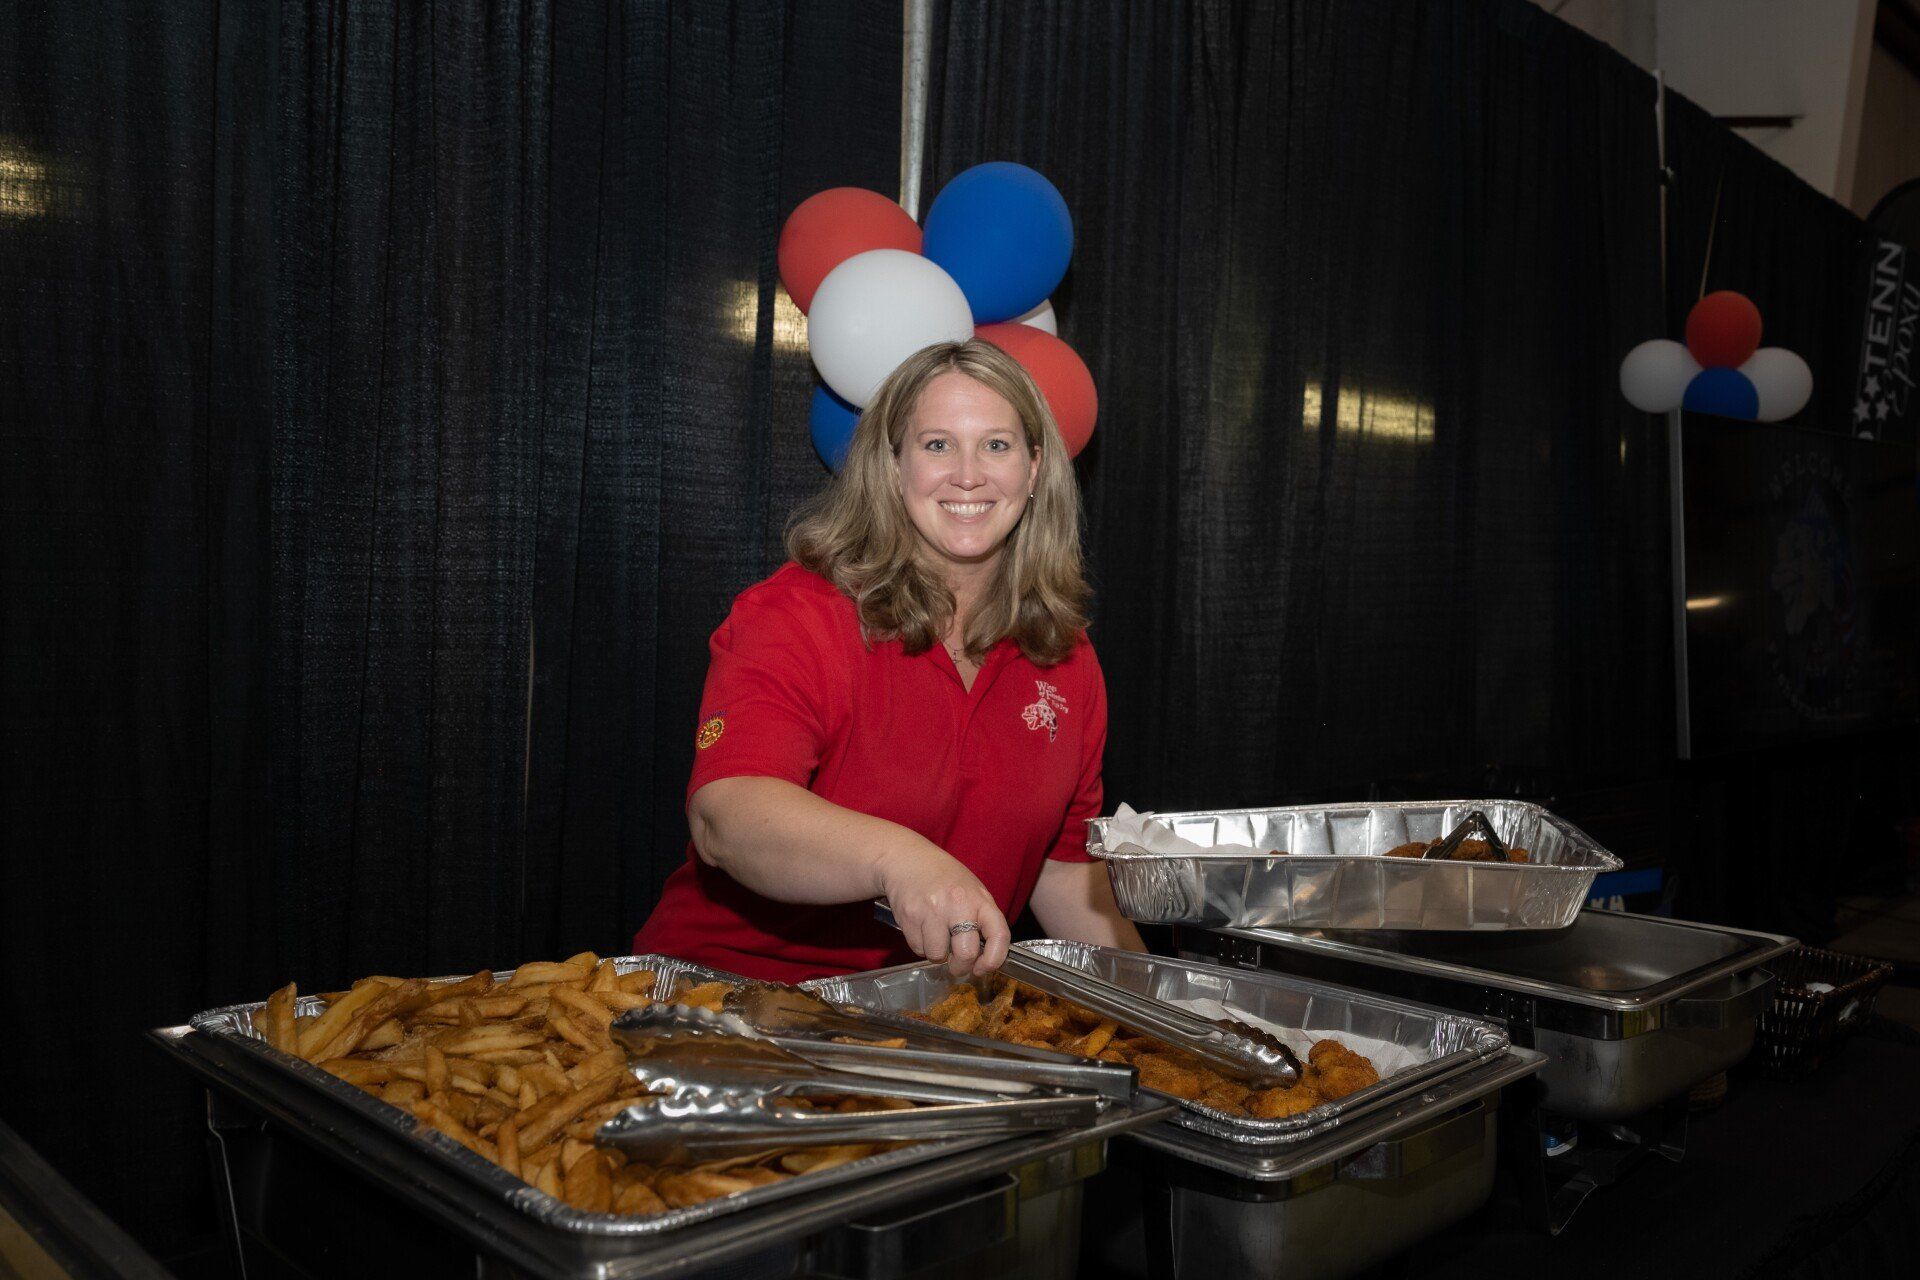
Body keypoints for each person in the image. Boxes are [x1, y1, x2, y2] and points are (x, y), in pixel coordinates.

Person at [632, 339, 1145, 983]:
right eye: (936, 445)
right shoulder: (796, 615)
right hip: (732, 1000)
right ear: (892, 464)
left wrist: (1170, 1013)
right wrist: (900, 860)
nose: (968, 474)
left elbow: (1065, 870)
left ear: (1035, 467)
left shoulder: (1067, 656)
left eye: (997, 444)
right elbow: (726, 818)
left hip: (929, 1021)